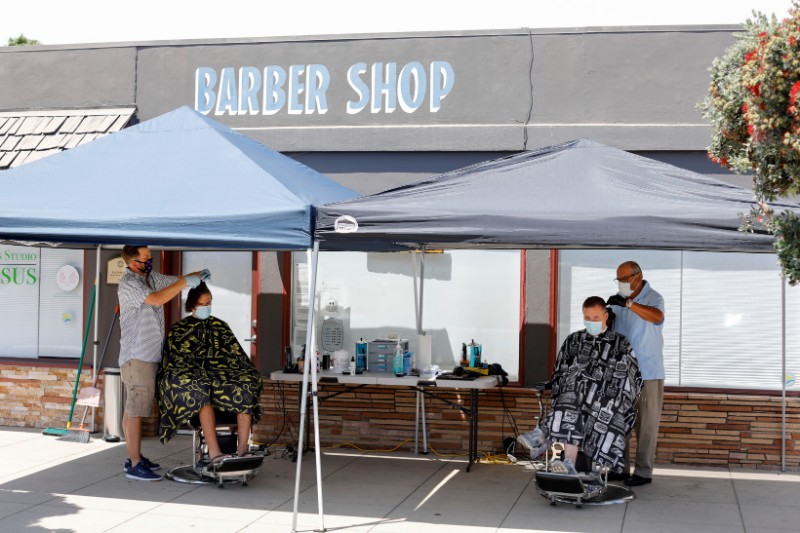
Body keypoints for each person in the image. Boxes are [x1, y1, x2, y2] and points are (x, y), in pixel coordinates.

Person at [117, 245, 209, 481]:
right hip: (138, 356)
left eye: (150, 257)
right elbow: (157, 300)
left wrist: (195, 276)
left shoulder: (150, 278)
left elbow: (174, 281)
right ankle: (135, 464)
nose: (150, 261)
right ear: (133, 262)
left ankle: (133, 456)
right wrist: (184, 283)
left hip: (147, 355)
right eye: (146, 258)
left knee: (132, 408)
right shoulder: (130, 284)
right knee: (137, 410)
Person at [157, 282, 262, 462]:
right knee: (201, 389)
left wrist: (245, 374)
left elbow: (236, 357)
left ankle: (243, 449)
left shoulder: (220, 326)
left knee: (245, 385)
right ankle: (215, 453)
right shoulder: (179, 330)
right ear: (192, 305)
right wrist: (199, 373)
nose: (208, 307)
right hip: (193, 383)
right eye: (204, 304)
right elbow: (175, 362)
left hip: (220, 380)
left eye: (210, 302)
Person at [541, 296, 641, 476]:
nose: (591, 322)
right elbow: (559, 373)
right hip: (575, 400)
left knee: (571, 409)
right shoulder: (573, 340)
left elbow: (631, 378)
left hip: (606, 402)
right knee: (569, 406)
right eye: (587, 318)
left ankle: (541, 437)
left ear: (605, 316)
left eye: (595, 318)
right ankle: (569, 463)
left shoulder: (621, 344)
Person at [607, 260, 665, 486]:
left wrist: (629, 304)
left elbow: (656, 317)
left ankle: (643, 472)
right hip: (621, 373)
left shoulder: (654, 298)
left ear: (638, 277)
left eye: (623, 279)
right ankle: (619, 467)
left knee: (646, 424)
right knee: (619, 422)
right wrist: (605, 315)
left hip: (648, 372)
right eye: (618, 280)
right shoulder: (617, 302)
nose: (620, 283)